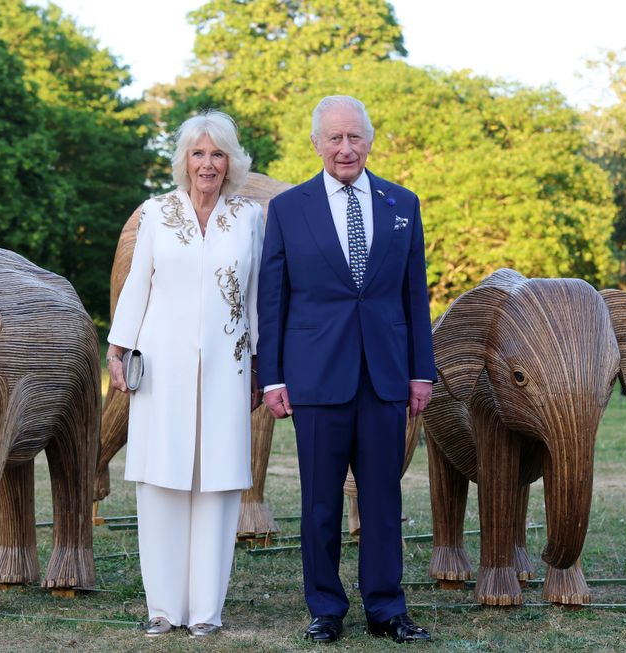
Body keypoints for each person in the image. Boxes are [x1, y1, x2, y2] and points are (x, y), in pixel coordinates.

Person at [257, 95, 435, 644]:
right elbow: (274, 296)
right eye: (334, 138)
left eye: (354, 136)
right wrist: (274, 376)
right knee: (319, 502)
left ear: (370, 140)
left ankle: (387, 609)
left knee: (383, 497)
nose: (345, 148)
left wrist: (420, 372)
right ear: (316, 144)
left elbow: (414, 295)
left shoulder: (402, 203)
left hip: (384, 377)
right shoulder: (289, 209)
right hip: (314, 378)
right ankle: (325, 609)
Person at [106, 110, 264, 639]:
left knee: (217, 485)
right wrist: (117, 348)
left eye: (217, 153)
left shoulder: (247, 218)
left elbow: (258, 295)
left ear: (231, 162)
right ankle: (162, 609)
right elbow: (137, 285)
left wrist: (261, 362)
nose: (208, 164)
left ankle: (204, 613)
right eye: (198, 153)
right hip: (162, 365)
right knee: (161, 481)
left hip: (228, 364)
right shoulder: (157, 212)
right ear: (184, 161)